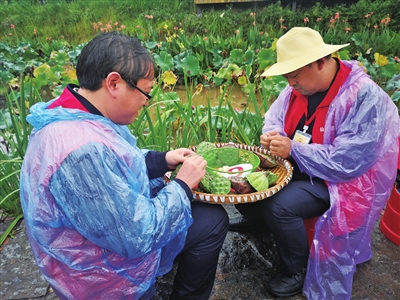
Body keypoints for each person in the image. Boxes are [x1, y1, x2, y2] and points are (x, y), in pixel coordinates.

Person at [19, 32, 229, 300]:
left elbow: (116, 164)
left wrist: (162, 159)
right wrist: (182, 185)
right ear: (114, 83)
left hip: (99, 244)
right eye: (146, 92)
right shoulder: (82, 151)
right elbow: (138, 236)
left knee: (204, 216)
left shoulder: (71, 114)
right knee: (212, 220)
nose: (145, 102)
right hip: (103, 276)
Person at [228, 27, 399, 299]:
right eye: (286, 76)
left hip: (340, 183)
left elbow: (347, 162)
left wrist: (293, 149)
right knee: (241, 179)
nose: (289, 83)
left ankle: (295, 270)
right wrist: (274, 136)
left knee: (280, 205)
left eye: (293, 75)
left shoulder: (364, 96)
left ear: (320, 62)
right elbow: (275, 117)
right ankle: (260, 222)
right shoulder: (298, 88)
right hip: (301, 164)